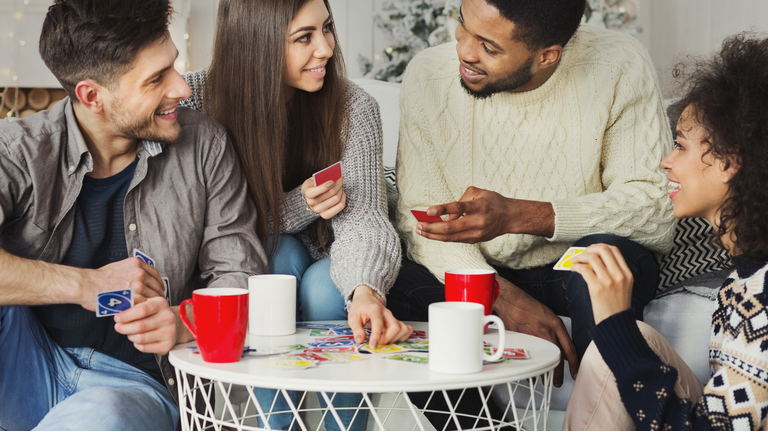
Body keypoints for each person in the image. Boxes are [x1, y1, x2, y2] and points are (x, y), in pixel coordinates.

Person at [0, 0, 267, 430]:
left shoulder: (204, 146)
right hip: (28, 364)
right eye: (157, 79)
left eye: (174, 67)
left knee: (102, 416)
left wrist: (183, 322)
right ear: (92, 95)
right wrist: (86, 286)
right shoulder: (19, 150)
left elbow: (240, 277)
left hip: (134, 388)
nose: (182, 88)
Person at [389, 0, 675, 387]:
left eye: (489, 47)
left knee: (606, 259)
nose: (464, 51)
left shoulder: (618, 64)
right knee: (392, 277)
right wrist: (496, 294)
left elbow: (655, 208)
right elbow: (421, 219)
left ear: (547, 56)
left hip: (568, 265)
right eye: (463, 24)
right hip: (478, 269)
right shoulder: (428, 74)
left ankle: (599, 417)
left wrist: (519, 215)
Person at [179, 0, 411, 429]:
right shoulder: (194, 99)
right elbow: (215, 227)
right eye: (304, 38)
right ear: (255, 44)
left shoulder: (354, 108)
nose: (325, 48)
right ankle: (278, 423)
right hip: (257, 255)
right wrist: (299, 205)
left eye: (326, 29)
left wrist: (365, 290)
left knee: (328, 288)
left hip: (334, 258)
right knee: (274, 260)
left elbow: (365, 218)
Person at [564, 33, 768, 431]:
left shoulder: (761, 295)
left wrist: (613, 324)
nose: (665, 162)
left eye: (681, 146)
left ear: (729, 164)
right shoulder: (740, 280)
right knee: (636, 337)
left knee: (620, 338)